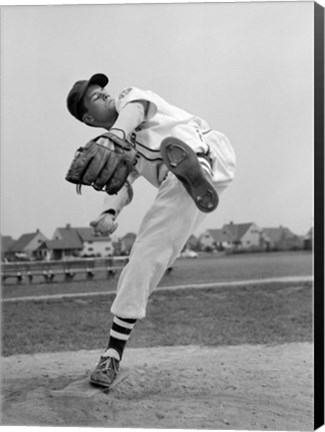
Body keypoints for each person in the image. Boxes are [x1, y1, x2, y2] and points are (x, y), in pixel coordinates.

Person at [66, 73, 236, 389]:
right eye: (94, 96)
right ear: (88, 118)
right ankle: (195, 172)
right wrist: (108, 211)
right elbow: (123, 182)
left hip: (199, 145)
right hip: (185, 182)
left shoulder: (128, 100)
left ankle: (193, 165)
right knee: (147, 257)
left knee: (145, 248)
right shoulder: (123, 146)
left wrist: (114, 133)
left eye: (102, 89)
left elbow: (137, 109)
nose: (104, 94)